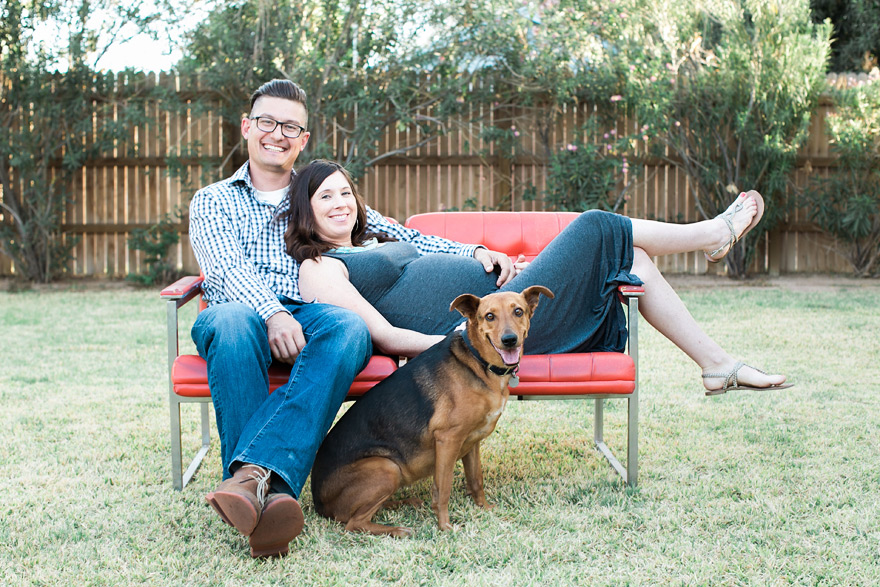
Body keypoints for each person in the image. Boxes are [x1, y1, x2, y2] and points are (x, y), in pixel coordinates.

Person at [286, 159, 792, 395]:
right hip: (490, 338)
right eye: (325, 196)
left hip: (511, 309)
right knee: (597, 225)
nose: (340, 202)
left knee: (633, 259)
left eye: (345, 192)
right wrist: (458, 344)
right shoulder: (318, 266)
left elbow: (435, 258)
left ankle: (717, 365)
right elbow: (384, 334)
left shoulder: (377, 241)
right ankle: (709, 234)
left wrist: (490, 257)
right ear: (304, 210)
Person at [188, 82, 373, 558]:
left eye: (291, 126)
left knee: (349, 327)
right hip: (238, 314)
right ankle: (275, 492)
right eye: (268, 122)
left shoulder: (314, 191)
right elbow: (225, 269)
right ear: (248, 127)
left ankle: (250, 484)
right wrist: (271, 312)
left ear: (304, 138)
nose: (278, 134)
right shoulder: (213, 199)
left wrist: (474, 251)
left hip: (308, 314)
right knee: (231, 323)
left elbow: (388, 229)